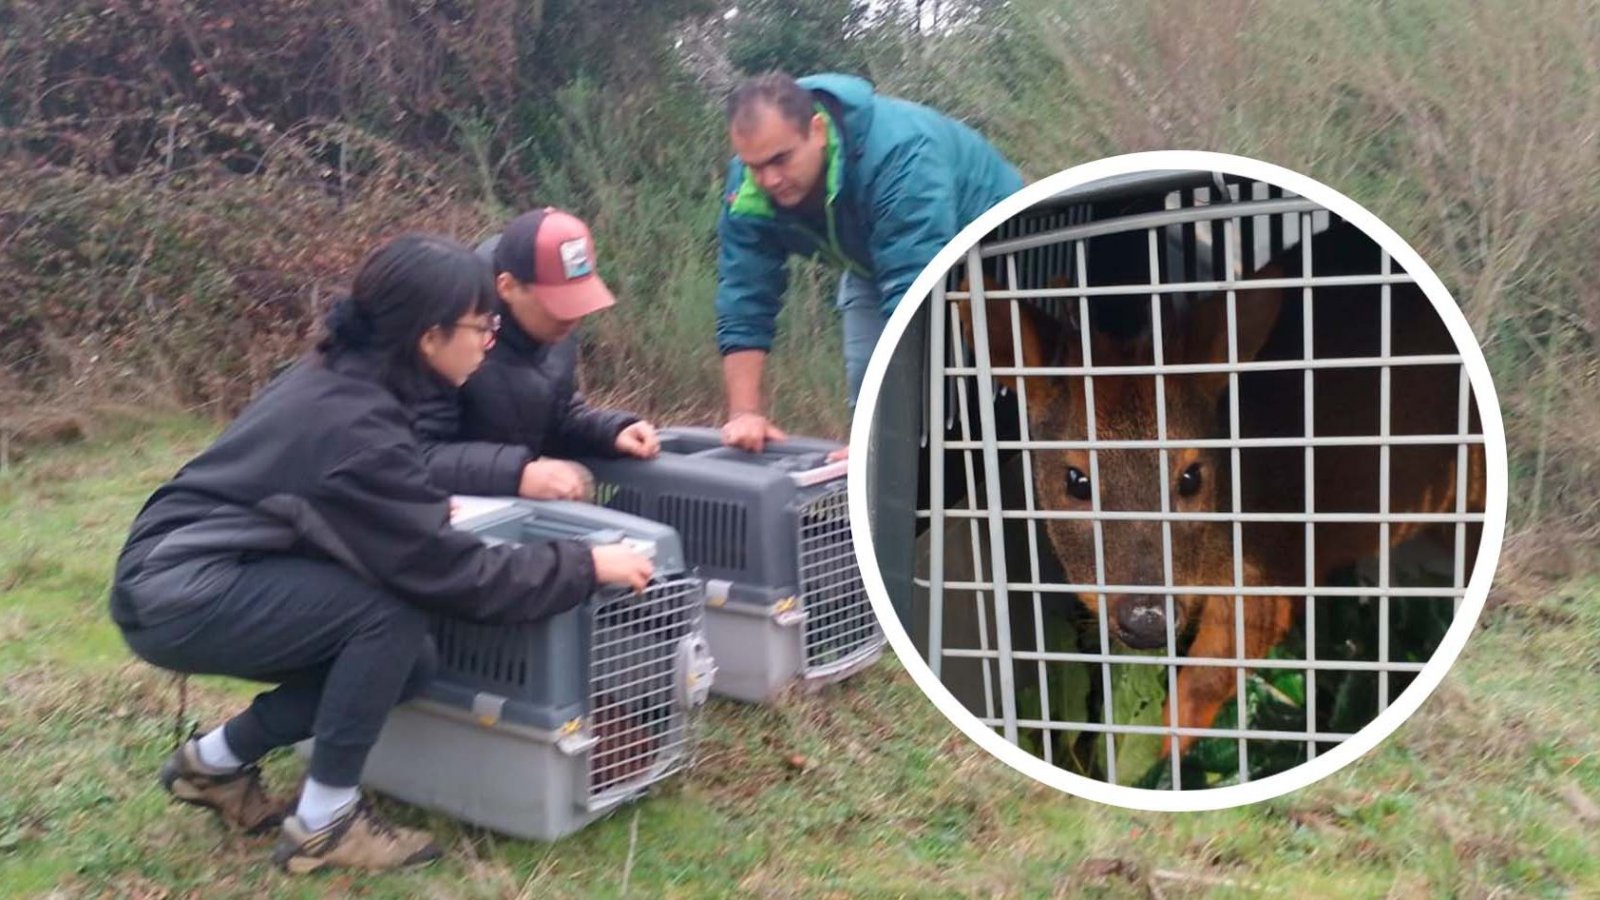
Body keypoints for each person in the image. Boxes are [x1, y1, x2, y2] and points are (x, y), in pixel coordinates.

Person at [108, 234, 655, 874]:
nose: (488, 341)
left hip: (200, 568)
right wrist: (586, 565)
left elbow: (334, 494)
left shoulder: (351, 383)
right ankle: (325, 824)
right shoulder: (358, 423)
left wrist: (411, 508)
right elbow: (460, 577)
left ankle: (213, 765)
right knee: (388, 613)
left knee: (412, 662)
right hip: (179, 589)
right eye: (481, 326)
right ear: (430, 337)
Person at [714, 71, 1024, 454]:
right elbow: (745, 292)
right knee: (869, 391)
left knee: (1002, 386)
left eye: (781, 159)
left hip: (1002, 249)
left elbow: (914, 294)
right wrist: (744, 413)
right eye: (755, 166)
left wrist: (885, 436)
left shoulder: (900, 153)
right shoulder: (747, 188)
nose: (770, 179)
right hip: (879, 261)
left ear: (817, 130)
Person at [414, 206, 660, 500]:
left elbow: (556, 413)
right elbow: (415, 455)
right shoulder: (449, 337)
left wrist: (609, 430)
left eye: (578, 302)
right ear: (507, 287)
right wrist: (516, 473)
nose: (572, 318)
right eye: (558, 304)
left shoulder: (556, 330)